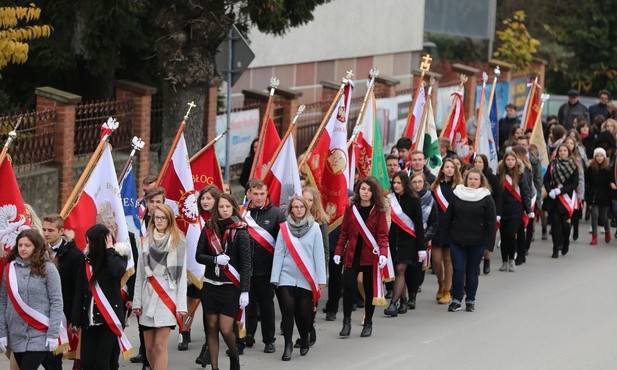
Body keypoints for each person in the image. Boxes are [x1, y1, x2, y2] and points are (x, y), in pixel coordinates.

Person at [196, 194, 251, 370]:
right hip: (210, 285)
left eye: (227, 206)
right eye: (221, 207)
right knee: (211, 328)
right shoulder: (209, 228)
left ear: (233, 208)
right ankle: (215, 367)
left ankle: (234, 356)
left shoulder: (241, 231)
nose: (224, 210)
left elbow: (246, 264)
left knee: (225, 329)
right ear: (216, 209)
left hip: (230, 287)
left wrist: (245, 290)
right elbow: (198, 256)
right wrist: (214, 260)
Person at [133, 204, 188, 370]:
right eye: (157, 217)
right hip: (148, 295)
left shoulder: (179, 240)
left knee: (159, 346)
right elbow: (140, 274)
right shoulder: (145, 240)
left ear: (169, 219)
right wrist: (137, 302)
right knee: (149, 347)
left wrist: (181, 306)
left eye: (163, 217)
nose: (159, 221)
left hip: (168, 296)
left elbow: (182, 275)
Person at [271, 196, 326, 361]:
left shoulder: (315, 228)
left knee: (303, 313)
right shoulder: (284, 228)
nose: (299, 209)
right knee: (287, 309)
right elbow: (279, 253)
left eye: (301, 206)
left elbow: (319, 255)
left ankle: (304, 337)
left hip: (306, 277)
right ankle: (287, 345)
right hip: (286, 276)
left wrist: (321, 279)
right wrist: (275, 277)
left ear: (306, 208)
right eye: (295, 207)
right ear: (291, 210)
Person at [333, 177, 389, 338]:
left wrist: (383, 253)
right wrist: (338, 251)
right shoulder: (352, 208)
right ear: (358, 190)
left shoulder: (379, 210)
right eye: (363, 189)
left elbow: (382, 235)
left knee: (369, 289)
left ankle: (369, 321)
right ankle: (346, 322)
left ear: (374, 192)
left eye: (369, 190)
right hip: (352, 254)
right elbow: (344, 232)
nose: (365, 192)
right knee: (349, 286)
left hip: (370, 255)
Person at [0, 229, 63, 370]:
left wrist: (53, 333)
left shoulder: (49, 268)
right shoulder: (10, 269)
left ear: (36, 246)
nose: (23, 248)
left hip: (39, 332)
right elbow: (3, 302)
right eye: (20, 245)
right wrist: (2, 332)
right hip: (15, 334)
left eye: (27, 245)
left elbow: (57, 302)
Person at [72, 224, 129, 370]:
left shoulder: (117, 256)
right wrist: (75, 319)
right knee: (87, 361)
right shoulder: (86, 261)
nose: (88, 245)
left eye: (91, 241)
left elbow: (118, 272)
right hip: (89, 320)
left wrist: (110, 250)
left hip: (109, 319)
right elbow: (79, 290)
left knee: (102, 361)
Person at [438, 168, 496, 312]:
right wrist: (441, 238)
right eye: (470, 178)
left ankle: (470, 299)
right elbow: (448, 218)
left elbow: (491, 223)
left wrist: (489, 245)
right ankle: (457, 299)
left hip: (477, 241)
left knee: (471, 272)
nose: (472, 181)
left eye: (476, 179)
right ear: (466, 179)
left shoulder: (486, 197)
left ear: (481, 181)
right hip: (457, 240)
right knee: (458, 270)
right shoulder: (457, 194)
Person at [243, 179, 286, 353]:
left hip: (267, 269)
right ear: (249, 194)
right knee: (247, 304)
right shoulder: (241, 213)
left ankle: (269, 340)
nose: (259, 197)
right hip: (246, 270)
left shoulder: (277, 214)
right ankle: (248, 334)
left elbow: (283, 244)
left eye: (262, 194)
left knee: (267, 305)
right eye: (255, 194)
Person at [42, 213, 84, 370]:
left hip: (63, 314)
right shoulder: (39, 252)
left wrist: (75, 317)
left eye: (51, 230)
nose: (46, 233)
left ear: (61, 231)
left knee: (53, 357)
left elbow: (78, 288)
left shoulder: (74, 255)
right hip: (41, 312)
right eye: (44, 229)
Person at [383, 171, 424, 317]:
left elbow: (419, 224)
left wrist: (421, 248)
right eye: (394, 183)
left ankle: (393, 303)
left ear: (405, 184)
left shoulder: (413, 199)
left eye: (399, 183)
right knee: (397, 271)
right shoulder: (389, 199)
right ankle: (404, 300)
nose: (396, 185)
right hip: (393, 241)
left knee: (400, 269)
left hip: (409, 241)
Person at [297, 187, 329, 347]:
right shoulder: (293, 219)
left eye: (310, 200)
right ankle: (304, 329)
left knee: (311, 303)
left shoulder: (320, 221)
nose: (307, 203)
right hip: (298, 269)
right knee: (299, 304)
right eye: (305, 199)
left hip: (313, 269)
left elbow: (324, 248)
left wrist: (323, 273)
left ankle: (309, 329)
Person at [194, 185, 221, 365]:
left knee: (224, 318)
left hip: (223, 273)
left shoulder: (221, 220)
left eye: (209, 198)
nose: (205, 201)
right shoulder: (195, 219)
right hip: (203, 271)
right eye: (203, 198)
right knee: (208, 314)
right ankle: (207, 348)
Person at [431, 159, 462, 303]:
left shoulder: (459, 187)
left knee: (448, 260)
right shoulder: (435, 187)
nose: (449, 169)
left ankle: (446, 290)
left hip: (453, 227)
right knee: (436, 259)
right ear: (442, 170)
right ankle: (441, 282)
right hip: (438, 226)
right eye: (447, 167)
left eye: (452, 167)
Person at [496, 152, 532, 272]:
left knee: (511, 234)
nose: (510, 162)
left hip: (516, 210)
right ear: (504, 161)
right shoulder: (500, 175)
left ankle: (512, 259)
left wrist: (529, 209)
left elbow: (525, 192)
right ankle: (504, 261)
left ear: (516, 161)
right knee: (504, 236)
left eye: (512, 159)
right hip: (502, 210)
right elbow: (497, 194)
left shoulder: (521, 175)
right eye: (508, 159)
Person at [543, 144, 579, 258]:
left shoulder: (573, 166)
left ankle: (565, 242)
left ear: (568, 152)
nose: (562, 152)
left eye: (565, 150)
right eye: (560, 151)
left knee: (565, 226)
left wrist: (561, 190)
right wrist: (550, 191)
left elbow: (574, 184)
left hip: (566, 199)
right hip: (554, 200)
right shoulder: (552, 165)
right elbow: (546, 180)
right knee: (555, 224)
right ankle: (555, 248)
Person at [408, 172, 436, 307]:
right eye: (414, 182)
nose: (417, 185)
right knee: (402, 268)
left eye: (420, 182)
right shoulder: (405, 198)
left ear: (424, 183)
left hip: (421, 240)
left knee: (416, 269)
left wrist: (423, 238)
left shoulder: (430, 199)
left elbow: (434, 223)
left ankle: (412, 296)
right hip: (405, 239)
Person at [472, 154, 501, 274]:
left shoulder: (492, 178)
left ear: (485, 164)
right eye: (476, 162)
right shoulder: (471, 177)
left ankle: (487, 260)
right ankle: (477, 263)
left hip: (489, 212)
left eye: (480, 162)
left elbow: (498, 197)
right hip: (475, 213)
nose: (478, 164)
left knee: (487, 239)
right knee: (477, 241)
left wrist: (498, 213)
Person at [585, 148, 615, 245]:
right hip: (594, 196)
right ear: (594, 157)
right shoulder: (590, 169)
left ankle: (607, 231)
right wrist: (588, 193)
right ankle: (594, 236)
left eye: (601, 155)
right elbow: (587, 182)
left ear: (604, 157)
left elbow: (610, 181)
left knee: (604, 217)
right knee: (594, 215)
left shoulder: (608, 169)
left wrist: (611, 184)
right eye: (597, 156)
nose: (599, 158)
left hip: (605, 196)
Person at [564, 136, 586, 241]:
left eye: (571, 143)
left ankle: (575, 228)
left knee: (575, 213)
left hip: (575, 191)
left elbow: (581, 178)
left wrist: (581, 195)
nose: (569, 145)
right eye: (567, 143)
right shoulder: (560, 157)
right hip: (563, 190)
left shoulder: (577, 159)